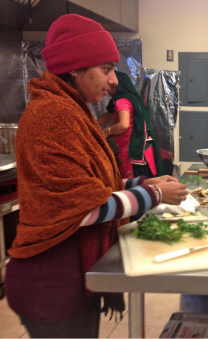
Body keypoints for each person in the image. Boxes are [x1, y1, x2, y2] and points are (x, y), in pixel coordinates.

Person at [5, 14, 188, 339]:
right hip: (52, 284)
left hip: (72, 276)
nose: (115, 79)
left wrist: (141, 184)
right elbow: (85, 209)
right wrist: (155, 196)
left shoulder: (71, 109)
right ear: (75, 69)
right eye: (106, 69)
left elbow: (93, 186)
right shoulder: (52, 116)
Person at [97, 71, 164, 179]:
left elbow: (124, 125)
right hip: (142, 146)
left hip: (133, 147)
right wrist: (93, 124)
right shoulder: (129, 98)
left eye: (108, 86)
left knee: (137, 182)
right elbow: (110, 114)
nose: (106, 90)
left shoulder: (121, 101)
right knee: (147, 180)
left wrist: (106, 132)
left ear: (117, 86)